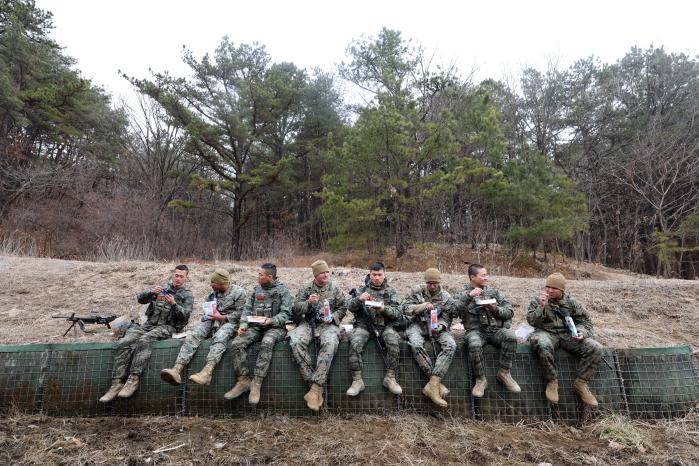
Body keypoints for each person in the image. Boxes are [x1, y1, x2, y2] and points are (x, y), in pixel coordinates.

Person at [99, 265, 194, 402]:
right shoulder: (162, 289)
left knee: (145, 340)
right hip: (149, 324)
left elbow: (185, 317)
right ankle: (116, 382)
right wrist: (151, 292)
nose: (178, 278)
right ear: (172, 275)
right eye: (176, 275)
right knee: (125, 341)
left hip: (168, 327)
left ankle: (133, 379)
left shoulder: (187, 295)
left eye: (181, 276)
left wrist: (174, 304)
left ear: (186, 278)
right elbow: (140, 299)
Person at [527, 273, 603, 407]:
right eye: (548, 287)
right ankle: (552, 381)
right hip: (546, 333)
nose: (549, 290)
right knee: (542, 344)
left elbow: (586, 322)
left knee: (595, 347)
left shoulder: (572, 303)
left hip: (568, 335)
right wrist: (541, 307)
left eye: (554, 288)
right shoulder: (538, 300)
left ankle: (581, 384)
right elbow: (532, 321)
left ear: (562, 290)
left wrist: (581, 332)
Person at [160, 268, 246, 386]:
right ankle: (177, 369)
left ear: (222, 283)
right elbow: (206, 311)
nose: (211, 285)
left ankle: (207, 372)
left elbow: (243, 313)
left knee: (220, 336)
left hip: (231, 323)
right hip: (212, 321)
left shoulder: (239, 293)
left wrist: (223, 317)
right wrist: (208, 315)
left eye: (213, 283)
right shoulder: (212, 295)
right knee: (194, 334)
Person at [223, 263, 292, 406]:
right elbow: (247, 310)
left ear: (269, 276)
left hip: (275, 328)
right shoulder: (256, 290)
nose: (258, 277)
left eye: (260, 274)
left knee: (267, 342)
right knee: (237, 343)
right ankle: (243, 380)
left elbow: (286, 314)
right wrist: (243, 325)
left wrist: (272, 320)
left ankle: (257, 382)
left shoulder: (283, 291)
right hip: (255, 326)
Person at [453, 264, 521, 397]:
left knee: (511, 336)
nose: (486, 278)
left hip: (495, 331)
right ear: (472, 277)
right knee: (474, 343)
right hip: (475, 332)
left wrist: (494, 309)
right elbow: (453, 311)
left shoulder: (494, 292)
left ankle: (504, 372)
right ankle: (480, 379)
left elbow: (509, 312)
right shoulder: (462, 294)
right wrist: (469, 296)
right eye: (483, 275)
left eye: (486, 275)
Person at [289, 260, 347, 411]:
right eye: (322, 272)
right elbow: (296, 307)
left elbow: (343, 307)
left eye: (327, 272)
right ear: (315, 275)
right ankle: (314, 386)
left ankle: (314, 389)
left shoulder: (334, 288)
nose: (326, 274)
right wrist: (308, 303)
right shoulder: (306, 288)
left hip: (328, 325)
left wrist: (333, 317)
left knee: (330, 342)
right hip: (308, 323)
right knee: (295, 342)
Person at [346, 261, 403, 397]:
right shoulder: (361, 290)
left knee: (393, 342)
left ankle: (390, 377)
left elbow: (398, 313)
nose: (377, 278)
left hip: (384, 326)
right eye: (374, 275)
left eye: (379, 275)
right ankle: (357, 381)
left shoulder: (391, 291)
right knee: (355, 343)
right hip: (364, 326)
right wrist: (359, 299)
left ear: (384, 274)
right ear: (369, 275)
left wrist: (384, 309)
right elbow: (349, 307)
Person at [402, 268, 456, 407]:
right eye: (429, 283)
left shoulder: (446, 297)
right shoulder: (416, 291)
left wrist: (441, 326)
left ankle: (432, 384)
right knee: (415, 344)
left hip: (436, 327)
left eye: (435, 283)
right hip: (417, 325)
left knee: (451, 345)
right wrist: (423, 306)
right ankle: (436, 384)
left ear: (439, 282)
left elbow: (447, 317)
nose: (432, 286)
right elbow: (405, 308)